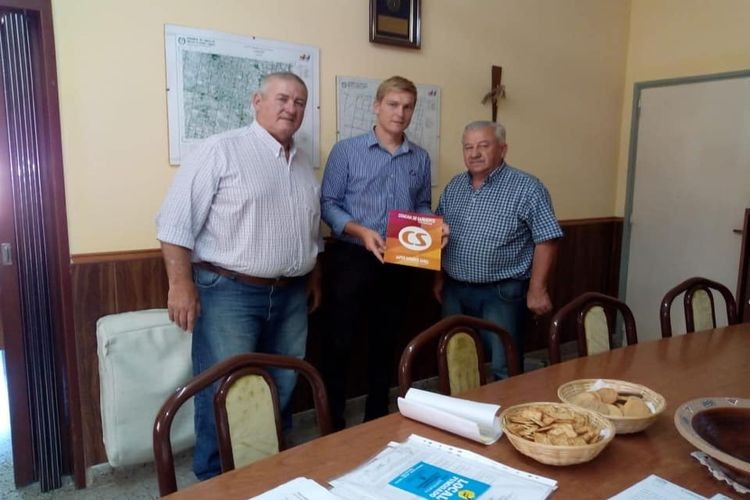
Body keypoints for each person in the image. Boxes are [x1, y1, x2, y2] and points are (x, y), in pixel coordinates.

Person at [155, 72, 322, 480]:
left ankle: (268, 468)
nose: (291, 108)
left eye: (299, 102)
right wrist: (180, 285)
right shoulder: (221, 150)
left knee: (283, 382)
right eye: (282, 98)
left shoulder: (302, 163)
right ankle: (216, 478)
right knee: (223, 388)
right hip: (229, 293)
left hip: (291, 295)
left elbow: (310, 230)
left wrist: (313, 275)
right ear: (257, 101)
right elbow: (174, 224)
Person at [320, 76, 432, 430]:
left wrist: (433, 226)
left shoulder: (420, 157)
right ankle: (333, 422)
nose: (400, 113)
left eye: (408, 107)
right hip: (352, 258)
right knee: (339, 341)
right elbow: (328, 204)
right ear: (377, 106)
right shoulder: (346, 151)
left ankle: (376, 416)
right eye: (393, 104)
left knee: (386, 340)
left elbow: (422, 204)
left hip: (399, 260)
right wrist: (359, 230)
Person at [434, 120, 562, 380]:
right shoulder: (454, 187)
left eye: (483, 145)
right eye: (468, 147)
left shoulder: (527, 187)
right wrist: (438, 278)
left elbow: (547, 239)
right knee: (456, 360)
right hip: (454, 290)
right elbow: (437, 235)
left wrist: (538, 289)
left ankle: (506, 407)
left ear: (502, 149)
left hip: (501, 293)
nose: (474, 153)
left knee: (504, 364)